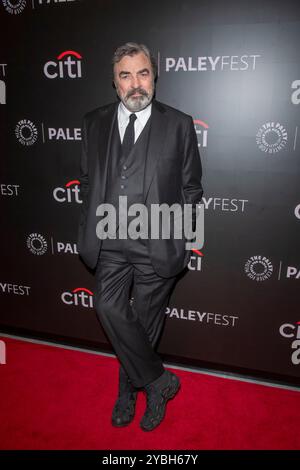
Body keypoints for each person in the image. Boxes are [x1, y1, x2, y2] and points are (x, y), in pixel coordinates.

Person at [77, 42, 203, 431]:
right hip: (110, 237)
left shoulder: (179, 124)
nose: (135, 84)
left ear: (155, 78)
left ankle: (130, 393)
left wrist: (183, 241)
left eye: (143, 73)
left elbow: (192, 189)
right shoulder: (94, 122)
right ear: (114, 83)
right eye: (125, 75)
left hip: (157, 242)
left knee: (146, 325)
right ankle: (160, 381)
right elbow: (86, 180)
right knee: (110, 309)